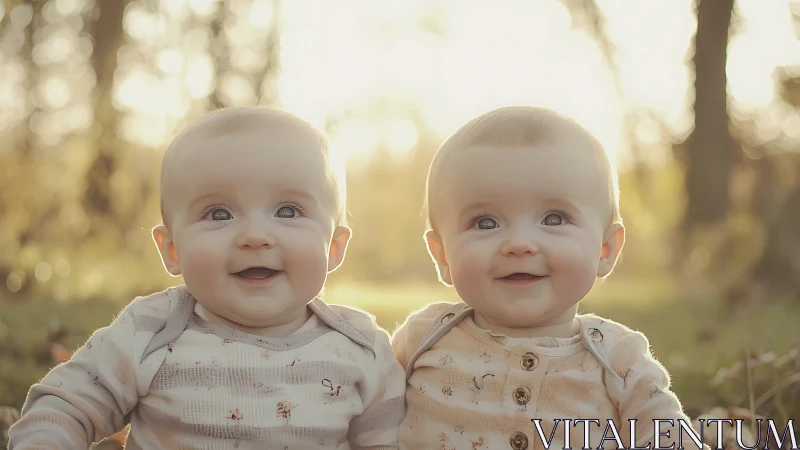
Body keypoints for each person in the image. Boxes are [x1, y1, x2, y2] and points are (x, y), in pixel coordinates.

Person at [9, 107, 405, 449]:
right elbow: (65, 405)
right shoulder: (149, 332)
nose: (254, 236)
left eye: (287, 211)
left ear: (334, 246)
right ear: (172, 249)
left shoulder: (361, 349)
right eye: (219, 214)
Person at [391, 106, 705, 450]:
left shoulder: (620, 361)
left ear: (605, 249)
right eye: (485, 223)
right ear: (442, 256)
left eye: (554, 219)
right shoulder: (421, 340)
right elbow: (362, 419)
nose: (519, 244)